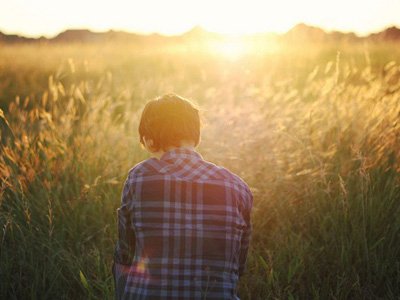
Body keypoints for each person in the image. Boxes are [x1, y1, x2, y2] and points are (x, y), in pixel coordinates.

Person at [113, 93, 253, 299]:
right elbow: (239, 265)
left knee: (122, 263)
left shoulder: (139, 177)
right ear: (196, 137)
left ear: (149, 141)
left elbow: (125, 251)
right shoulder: (237, 186)